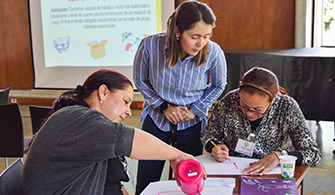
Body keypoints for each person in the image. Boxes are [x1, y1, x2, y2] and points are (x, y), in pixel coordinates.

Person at [20, 69, 207, 195]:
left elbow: (112, 180)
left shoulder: (90, 127)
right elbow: (129, 139)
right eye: (125, 101)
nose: (128, 111)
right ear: (103, 93)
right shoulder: (77, 118)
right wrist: (179, 156)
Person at [133, 1, 227, 194]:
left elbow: (219, 85)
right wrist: (163, 106)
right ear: (177, 30)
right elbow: (140, 80)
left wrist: (194, 111)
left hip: (190, 124)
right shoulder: (150, 45)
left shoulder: (214, 52)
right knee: (146, 179)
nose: (200, 43)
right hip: (156, 120)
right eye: (194, 37)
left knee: (190, 181)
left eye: (206, 36)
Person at [201, 67, 321, 175]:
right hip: (233, 171)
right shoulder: (229, 101)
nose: (249, 113)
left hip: (271, 174)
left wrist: (280, 157)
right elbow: (209, 134)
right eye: (243, 105)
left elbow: (313, 154)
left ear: (273, 99)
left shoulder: (286, 107)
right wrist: (214, 147)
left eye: (257, 110)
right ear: (239, 90)